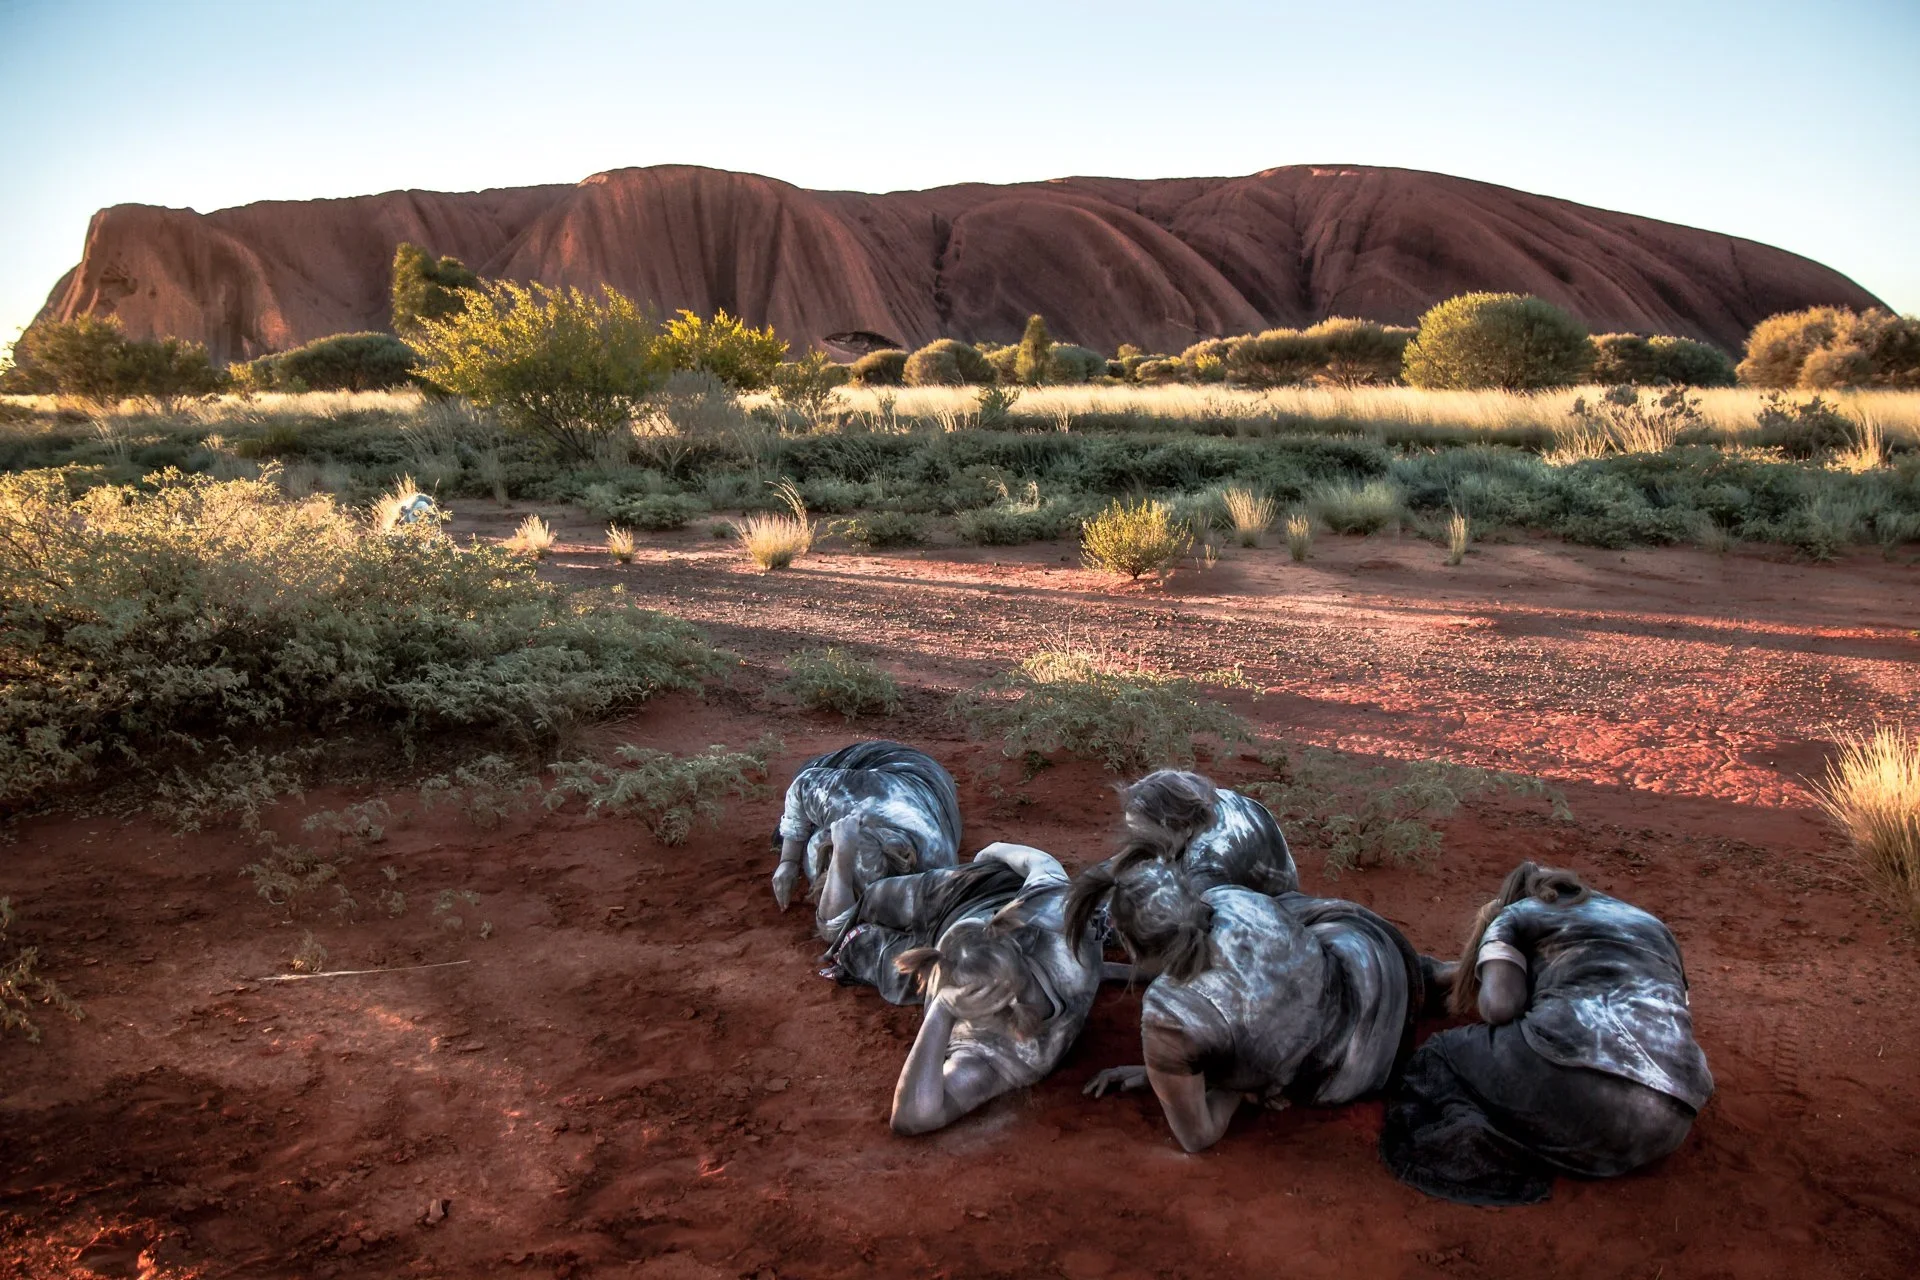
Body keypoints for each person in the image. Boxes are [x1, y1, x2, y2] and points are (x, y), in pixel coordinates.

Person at [1379, 862, 1713, 1206]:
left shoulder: (1515, 915)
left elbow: (1499, 1008)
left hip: (1578, 1091)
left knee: (1437, 1055)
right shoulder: (1652, 925)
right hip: (1667, 1123)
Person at [1072, 847, 1423, 1153]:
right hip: (1382, 967)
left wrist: (1233, 1088)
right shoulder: (1230, 899)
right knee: (1292, 918)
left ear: (1129, 943)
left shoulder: (1167, 1017)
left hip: (1354, 1070)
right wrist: (1158, 1074)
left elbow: (1197, 1137)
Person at [821, 842, 1100, 1134]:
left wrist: (941, 1010)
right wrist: (992, 850)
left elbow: (912, 1117)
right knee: (873, 899)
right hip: (977, 898)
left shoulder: (999, 1052)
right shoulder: (1059, 927)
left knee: (852, 941)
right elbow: (1042, 863)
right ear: (1019, 947)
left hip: (976, 904)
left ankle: (840, 884)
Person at [771, 741, 962, 939]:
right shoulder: (844, 801)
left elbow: (833, 929)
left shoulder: (933, 870)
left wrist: (841, 855)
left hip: (925, 779)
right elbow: (802, 784)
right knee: (806, 771)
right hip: (888, 765)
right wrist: (788, 862)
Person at [1119, 769, 1297, 896]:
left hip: (1272, 907)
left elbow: (1193, 923)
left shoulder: (1205, 865)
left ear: (1180, 826)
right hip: (1269, 872)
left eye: (1147, 838)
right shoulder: (1197, 798)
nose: (1139, 842)